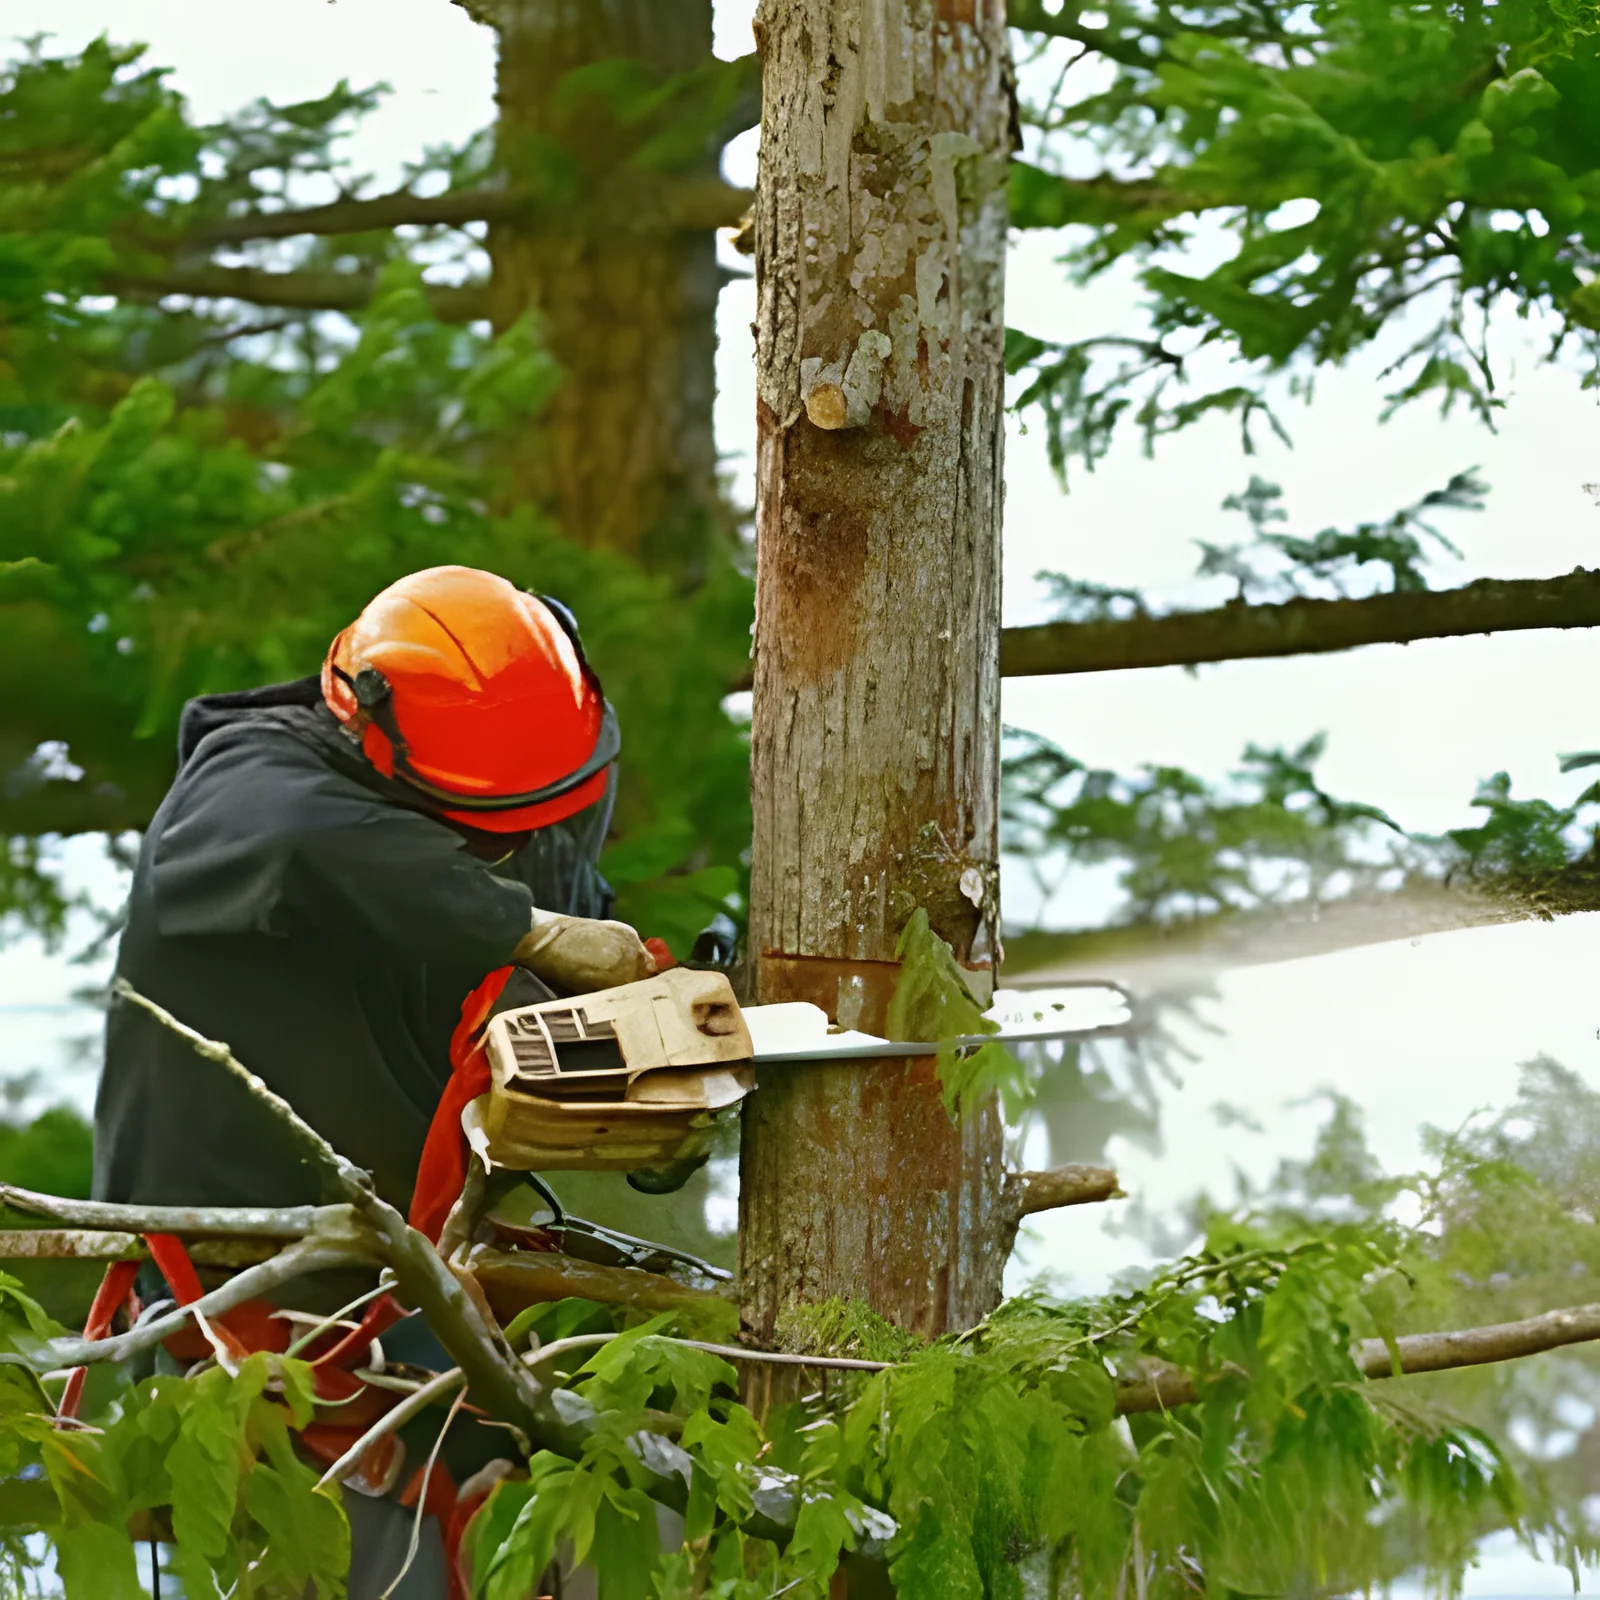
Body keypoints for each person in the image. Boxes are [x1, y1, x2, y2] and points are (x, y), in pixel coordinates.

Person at [92, 564, 659, 1598]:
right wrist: (528, 926)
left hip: (434, 1310)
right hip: (250, 1326)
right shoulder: (247, 792)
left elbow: (530, 978)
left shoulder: (513, 801)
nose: (514, 851)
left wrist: (655, 1075)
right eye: (492, 834)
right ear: (381, 742)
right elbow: (312, 843)